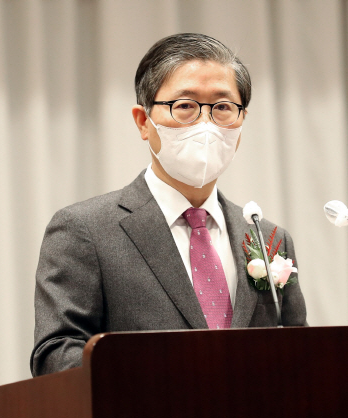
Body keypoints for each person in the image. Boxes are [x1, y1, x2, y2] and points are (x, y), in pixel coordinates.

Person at [30, 33, 307, 377]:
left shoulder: (268, 239)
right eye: (185, 106)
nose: (206, 125)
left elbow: (300, 354)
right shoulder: (85, 230)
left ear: (241, 122)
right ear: (143, 122)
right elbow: (56, 355)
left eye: (222, 107)